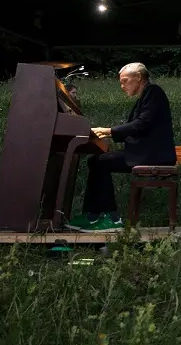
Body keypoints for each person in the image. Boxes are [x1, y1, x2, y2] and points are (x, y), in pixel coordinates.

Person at [69, 62, 175, 231]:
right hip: (146, 152)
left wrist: (109, 131)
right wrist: (111, 135)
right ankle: (92, 215)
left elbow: (141, 124)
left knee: (100, 162)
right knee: (96, 161)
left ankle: (111, 217)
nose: (122, 86)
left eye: (125, 81)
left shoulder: (153, 92)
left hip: (153, 154)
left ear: (138, 78)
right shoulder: (146, 95)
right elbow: (138, 128)